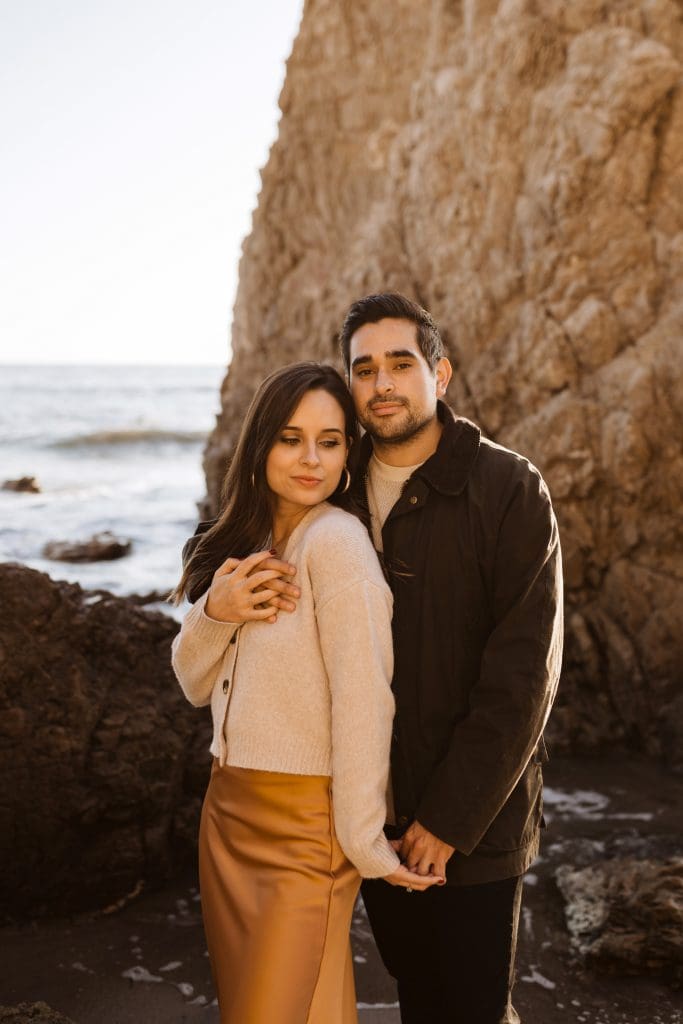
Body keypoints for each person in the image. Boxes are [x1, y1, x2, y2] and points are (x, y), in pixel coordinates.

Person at [255, 294, 564, 1023]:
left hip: (475, 826)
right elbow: (236, 525)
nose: (382, 383)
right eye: (364, 369)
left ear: (440, 374)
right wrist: (217, 598)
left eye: (401, 364)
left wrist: (449, 819)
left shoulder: (509, 489)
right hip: (367, 813)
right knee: (418, 995)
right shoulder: (332, 483)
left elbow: (523, 676)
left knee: (472, 1006)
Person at [170, 361, 440, 1024]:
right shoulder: (249, 542)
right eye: (290, 438)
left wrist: (359, 838)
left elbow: (364, 700)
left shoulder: (337, 545)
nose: (310, 459)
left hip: (302, 834)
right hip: (227, 818)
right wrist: (215, 612)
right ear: (261, 443)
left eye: (329, 440)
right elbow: (193, 683)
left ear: (349, 453)